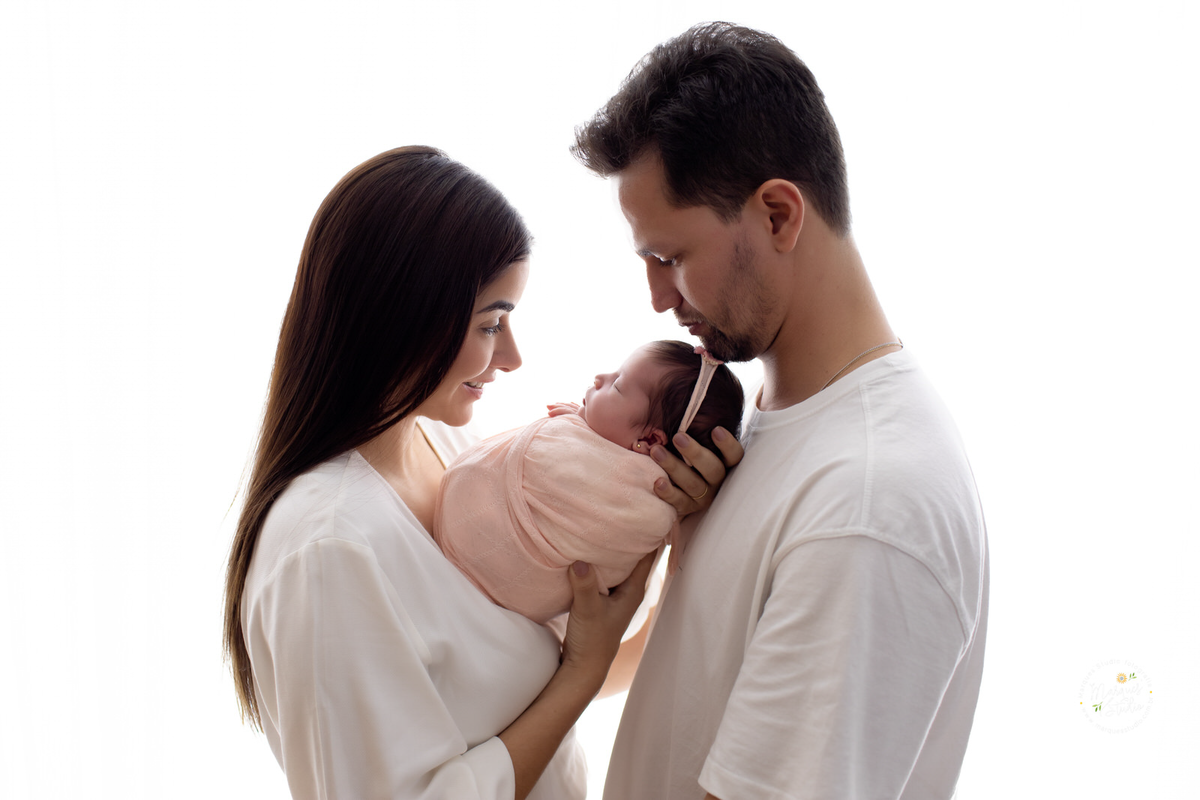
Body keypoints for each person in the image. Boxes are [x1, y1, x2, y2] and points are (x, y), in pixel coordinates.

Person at [220, 146, 736, 800]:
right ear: (401, 316)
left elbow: (547, 676)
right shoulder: (329, 547)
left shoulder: (447, 445)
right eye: (492, 324)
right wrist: (581, 669)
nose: (514, 358)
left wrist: (679, 538)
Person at [572, 22, 989, 800]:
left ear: (777, 215)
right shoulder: (760, 416)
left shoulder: (869, 503)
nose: (659, 299)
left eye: (670, 259)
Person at [434, 340, 744, 623]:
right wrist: (581, 424)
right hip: (523, 605)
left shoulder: (643, 497)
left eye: (618, 385)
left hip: (465, 528)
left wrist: (574, 425)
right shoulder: (662, 508)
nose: (600, 377)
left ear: (649, 439)